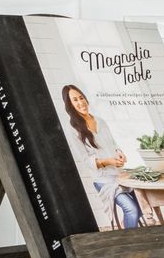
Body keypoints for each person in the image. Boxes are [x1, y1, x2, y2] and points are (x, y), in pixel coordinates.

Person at [60, 85, 143, 231]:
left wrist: (119, 153)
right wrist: (108, 161)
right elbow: (85, 160)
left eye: (81, 97)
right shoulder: (72, 129)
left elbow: (113, 144)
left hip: (119, 174)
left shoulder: (101, 121)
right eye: (75, 100)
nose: (80, 102)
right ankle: (131, 241)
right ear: (70, 105)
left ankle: (127, 228)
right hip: (103, 180)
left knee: (142, 206)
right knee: (132, 210)